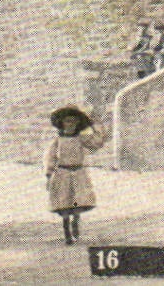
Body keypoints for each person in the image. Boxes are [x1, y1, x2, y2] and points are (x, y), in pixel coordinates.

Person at [44, 105, 108, 245]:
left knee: (78, 201)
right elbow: (51, 158)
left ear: (78, 124)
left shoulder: (81, 139)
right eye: (67, 122)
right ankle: (67, 231)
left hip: (78, 173)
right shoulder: (57, 141)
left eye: (74, 122)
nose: (70, 125)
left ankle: (75, 222)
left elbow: (97, 142)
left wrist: (94, 126)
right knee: (64, 202)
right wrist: (49, 175)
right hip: (62, 173)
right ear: (62, 123)